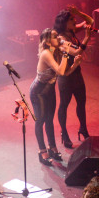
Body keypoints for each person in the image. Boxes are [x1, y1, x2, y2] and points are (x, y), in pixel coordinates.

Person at [29, 28, 82, 166]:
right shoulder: (46, 53)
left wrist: (75, 63)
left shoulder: (56, 52)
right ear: (47, 41)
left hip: (50, 90)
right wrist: (65, 53)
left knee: (49, 120)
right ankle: (42, 151)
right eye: (54, 36)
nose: (58, 37)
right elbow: (59, 70)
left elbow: (63, 73)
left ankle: (52, 148)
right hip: (38, 92)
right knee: (40, 121)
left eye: (57, 35)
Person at [54, 8, 94, 148]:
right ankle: (64, 133)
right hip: (66, 76)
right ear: (64, 23)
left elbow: (90, 21)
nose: (75, 21)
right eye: (72, 19)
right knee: (64, 104)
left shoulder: (71, 31)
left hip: (76, 72)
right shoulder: (61, 39)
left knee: (81, 102)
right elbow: (76, 51)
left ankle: (83, 128)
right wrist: (87, 37)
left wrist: (79, 13)